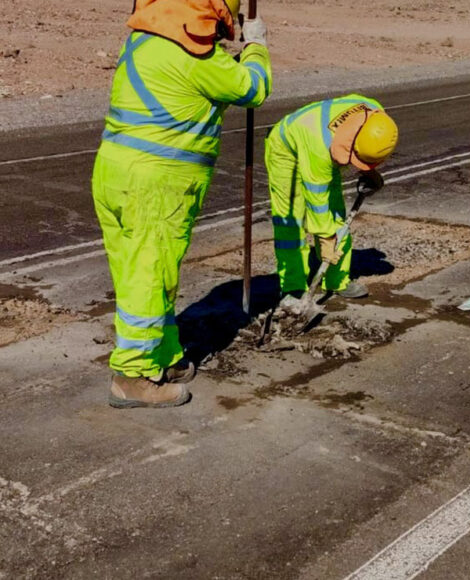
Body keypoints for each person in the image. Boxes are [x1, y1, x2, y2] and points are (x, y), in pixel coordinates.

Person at [91, 0, 272, 409]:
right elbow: (253, 88)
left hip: (116, 173)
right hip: (157, 185)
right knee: (150, 275)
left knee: (142, 272)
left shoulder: (140, 42)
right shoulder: (201, 62)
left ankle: (164, 356)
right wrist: (256, 45)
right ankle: (133, 376)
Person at [265, 95, 398, 300]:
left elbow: (363, 151)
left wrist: (372, 175)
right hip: (286, 150)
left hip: (324, 146)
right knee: (291, 219)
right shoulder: (319, 147)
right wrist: (326, 237)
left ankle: (337, 280)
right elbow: (317, 200)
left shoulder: (376, 118)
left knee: (337, 215)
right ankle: (293, 286)